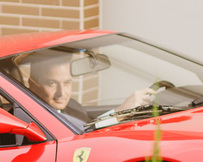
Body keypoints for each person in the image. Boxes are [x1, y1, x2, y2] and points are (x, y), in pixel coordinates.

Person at [25, 52, 155, 128]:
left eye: (67, 83)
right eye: (52, 83)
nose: (61, 93)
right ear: (33, 85)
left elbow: (89, 128)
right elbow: (82, 136)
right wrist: (120, 112)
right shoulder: (27, 122)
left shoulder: (73, 106)